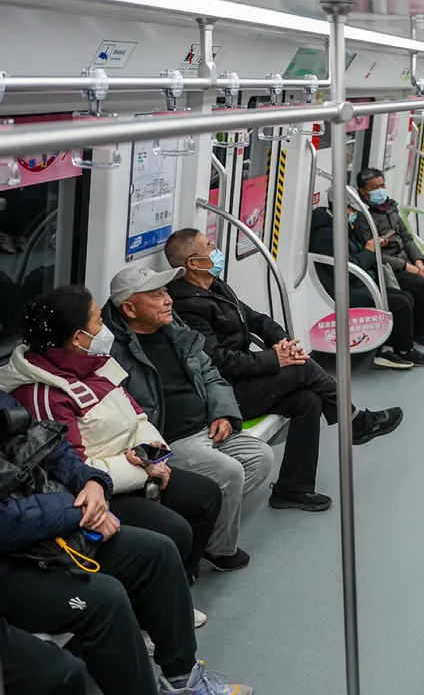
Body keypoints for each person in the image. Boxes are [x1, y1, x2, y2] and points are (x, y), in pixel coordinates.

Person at [0, 393, 252, 695]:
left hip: (50, 530)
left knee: (157, 553)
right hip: (12, 561)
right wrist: (79, 511)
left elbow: (50, 446)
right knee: (105, 599)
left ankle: (182, 681)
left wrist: (92, 482)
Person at [0, 285, 223, 597]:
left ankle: (178, 587)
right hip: (100, 487)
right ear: (77, 338)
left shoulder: (95, 365)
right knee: (173, 530)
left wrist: (153, 452)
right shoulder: (42, 393)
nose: (104, 327)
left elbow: (137, 415)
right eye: (97, 321)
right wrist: (142, 470)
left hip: (135, 465)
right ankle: (154, 603)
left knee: (206, 495)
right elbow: (69, 465)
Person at [163, 229, 405, 512]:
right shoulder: (187, 306)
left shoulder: (215, 286)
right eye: (209, 246)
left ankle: (293, 489)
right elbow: (217, 361)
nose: (216, 250)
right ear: (193, 263)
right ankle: (355, 421)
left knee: (308, 400)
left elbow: (257, 319)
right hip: (224, 392)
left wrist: (282, 342)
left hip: (245, 376)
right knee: (302, 371)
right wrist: (275, 359)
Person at [102, 265, 273, 573]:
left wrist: (222, 412)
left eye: (166, 291)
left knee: (260, 456)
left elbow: (210, 373)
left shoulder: (176, 332)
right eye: (156, 295)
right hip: (169, 438)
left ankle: (203, 524)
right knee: (230, 472)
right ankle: (219, 550)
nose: (168, 299)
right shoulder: (112, 351)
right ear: (129, 308)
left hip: (207, 426)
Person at [308, 195, 424, 369]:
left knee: (406, 295)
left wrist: (373, 246)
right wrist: (369, 251)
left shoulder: (343, 227)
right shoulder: (326, 235)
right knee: (400, 303)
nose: (354, 214)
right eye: (352, 210)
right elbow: (346, 272)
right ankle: (395, 351)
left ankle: (396, 347)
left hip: (360, 282)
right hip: (344, 288)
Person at [354, 168, 424, 344]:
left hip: (406, 259)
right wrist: (406, 266)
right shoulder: (362, 217)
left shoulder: (391, 207)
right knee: (418, 283)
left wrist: (418, 261)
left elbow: (406, 238)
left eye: (382, 185)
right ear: (363, 192)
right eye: (374, 188)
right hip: (387, 267)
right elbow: (375, 253)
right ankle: (422, 330)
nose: (380, 190)